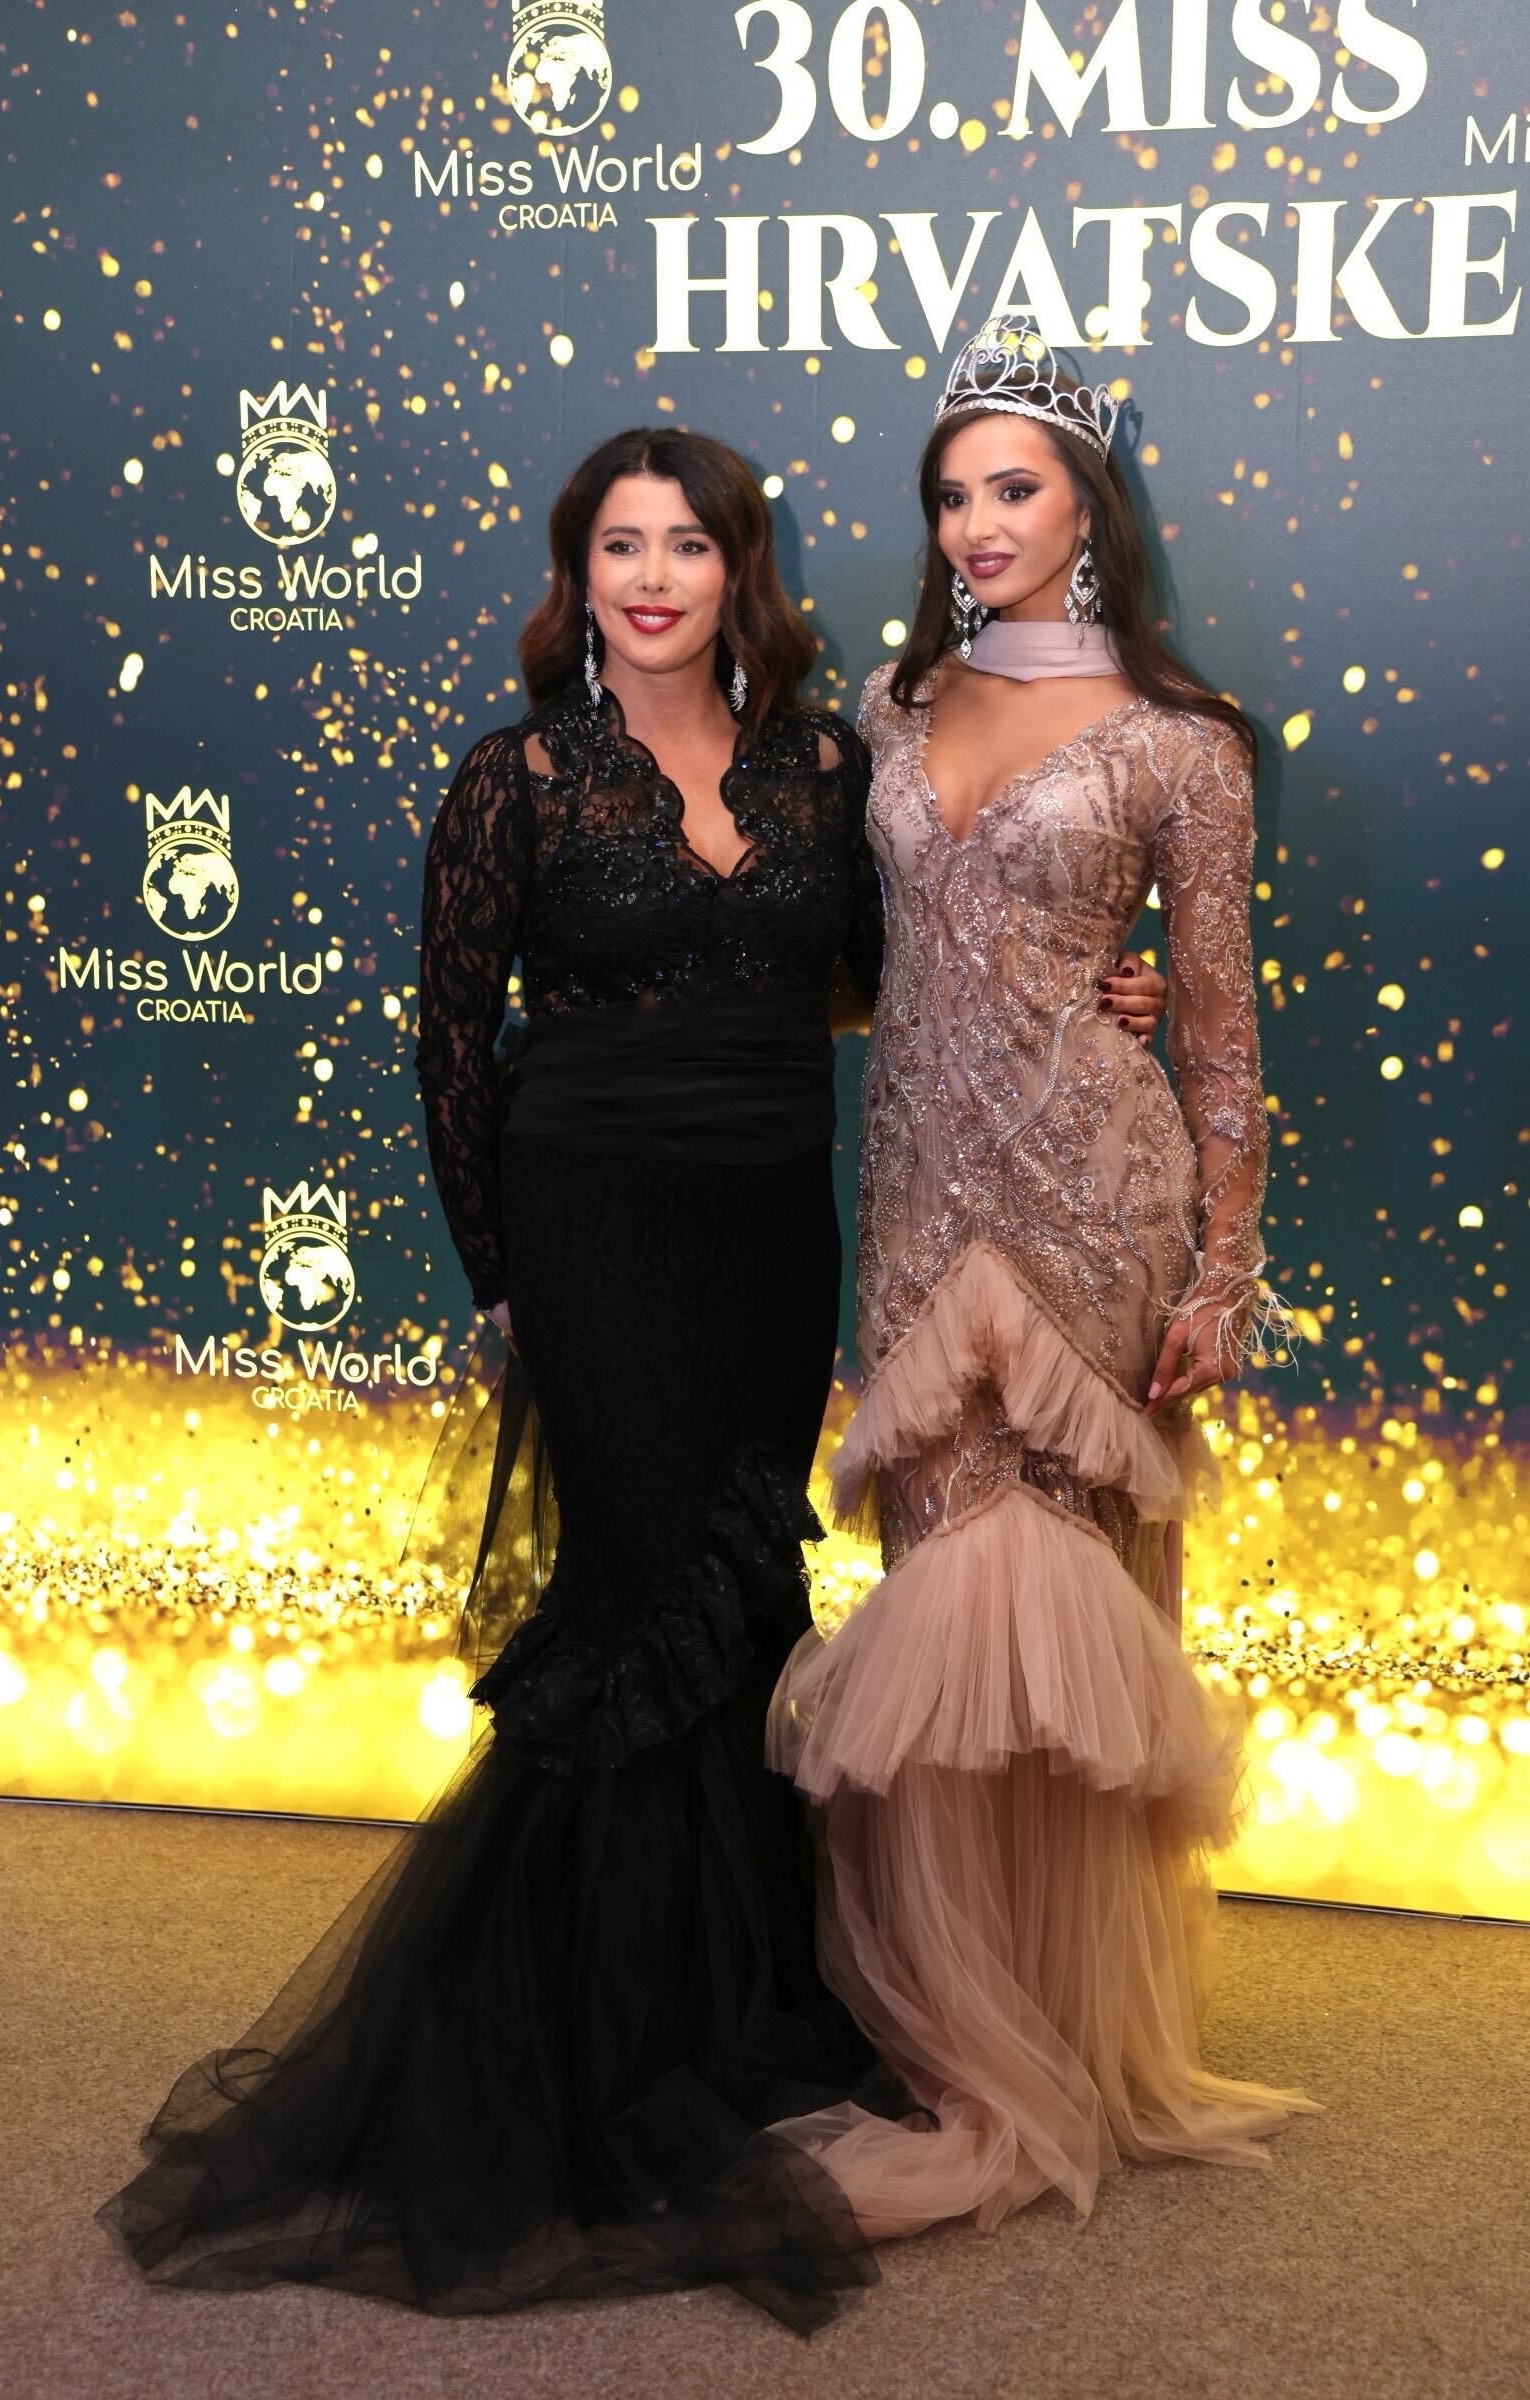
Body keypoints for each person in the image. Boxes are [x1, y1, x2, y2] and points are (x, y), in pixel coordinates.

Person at [99, 418, 1173, 2329]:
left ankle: (738, 2014)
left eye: (689, 544)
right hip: (589, 1221)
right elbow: (448, 1046)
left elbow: (905, 974)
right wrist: (507, 1282)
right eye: (621, 545)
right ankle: (574, 2043)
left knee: (747, 1595)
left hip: (767, 1230)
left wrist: (1103, 983)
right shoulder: (514, 779)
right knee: (629, 1602)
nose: (655, 577)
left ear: (736, 571)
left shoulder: (826, 764)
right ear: (576, 575)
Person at [768, 316, 1316, 2239]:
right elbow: (870, 960)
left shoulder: (1182, 742)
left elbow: (1223, 1032)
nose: (977, 523)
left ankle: (1064, 2047)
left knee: (1070, 1627)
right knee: (936, 1602)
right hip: (921, 1198)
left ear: (1091, 506)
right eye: (951, 494)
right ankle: (950, 2028)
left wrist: (1226, 1268)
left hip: (1099, 1198)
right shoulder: (891, 710)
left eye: (1014, 487)